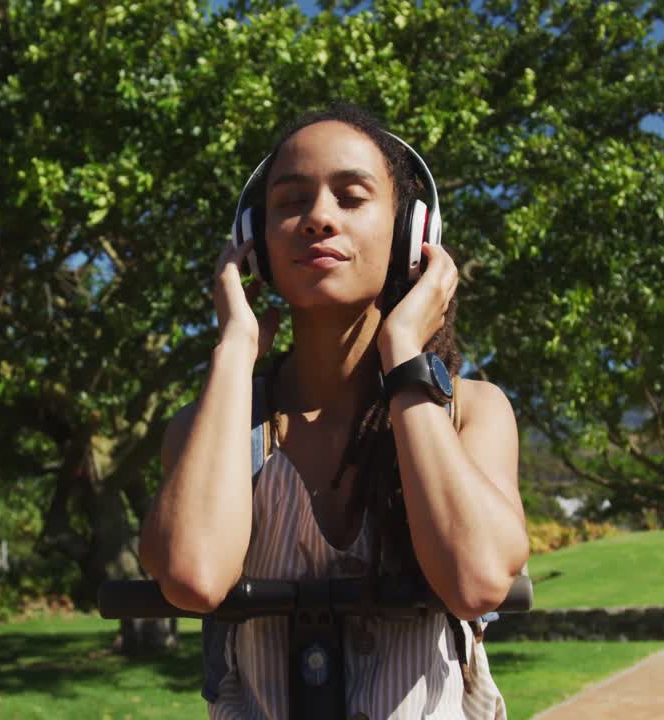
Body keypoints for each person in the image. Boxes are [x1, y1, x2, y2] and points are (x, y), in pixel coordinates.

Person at [138, 103, 529, 719]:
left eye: (351, 197)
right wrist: (235, 349)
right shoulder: (208, 427)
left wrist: (404, 357)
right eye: (290, 201)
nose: (318, 218)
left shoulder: (470, 412)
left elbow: (476, 581)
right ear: (254, 245)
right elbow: (193, 576)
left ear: (411, 234)